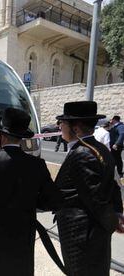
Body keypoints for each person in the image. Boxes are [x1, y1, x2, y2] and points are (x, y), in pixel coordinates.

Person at [0, 108, 62, 275]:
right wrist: (31, 201)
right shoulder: (37, 165)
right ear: (21, 138)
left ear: (1, 135)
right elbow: (53, 200)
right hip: (23, 233)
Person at [54, 101, 124, 276]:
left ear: (76, 128)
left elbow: (97, 200)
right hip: (91, 233)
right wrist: (117, 213)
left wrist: (113, 222)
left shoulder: (83, 154)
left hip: (82, 236)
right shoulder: (98, 149)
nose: (60, 126)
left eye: (63, 123)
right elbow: (114, 186)